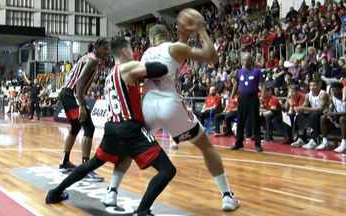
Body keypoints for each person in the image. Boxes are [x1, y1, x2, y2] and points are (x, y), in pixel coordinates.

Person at [104, 11, 240, 212]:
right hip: (170, 105)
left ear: (152, 39)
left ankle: (112, 191)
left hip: (148, 105)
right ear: (168, 35)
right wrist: (201, 29)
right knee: (205, 146)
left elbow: (167, 61)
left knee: (130, 148)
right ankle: (227, 196)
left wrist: (183, 35)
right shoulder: (175, 48)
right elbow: (212, 57)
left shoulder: (146, 54)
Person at [45, 36, 175, 216]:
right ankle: (142, 211)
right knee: (168, 170)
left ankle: (55, 192)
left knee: (94, 163)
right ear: (124, 51)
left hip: (112, 128)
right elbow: (162, 69)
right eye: (131, 50)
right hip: (129, 128)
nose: (133, 53)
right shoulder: (128, 67)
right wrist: (148, 62)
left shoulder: (109, 76)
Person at [57, 39, 108, 182]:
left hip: (67, 93)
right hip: (72, 94)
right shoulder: (93, 60)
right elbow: (79, 83)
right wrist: (81, 104)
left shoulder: (86, 57)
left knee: (76, 126)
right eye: (105, 48)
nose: (107, 52)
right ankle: (86, 169)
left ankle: (64, 162)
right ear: (97, 48)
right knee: (89, 128)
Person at [231, 52, 265, 152]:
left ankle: (258, 144)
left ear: (251, 60)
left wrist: (262, 96)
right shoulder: (239, 72)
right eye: (243, 60)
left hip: (253, 99)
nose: (244, 62)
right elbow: (235, 84)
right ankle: (239, 143)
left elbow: (263, 84)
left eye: (247, 60)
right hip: (242, 99)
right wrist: (231, 96)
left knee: (255, 121)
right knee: (240, 121)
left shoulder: (257, 71)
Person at [291, 80, 328, 149]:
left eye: (314, 85)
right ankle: (301, 138)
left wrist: (305, 109)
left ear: (319, 86)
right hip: (314, 113)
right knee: (299, 115)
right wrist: (299, 108)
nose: (312, 87)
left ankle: (314, 140)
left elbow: (320, 109)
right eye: (310, 86)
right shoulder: (308, 95)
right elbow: (305, 105)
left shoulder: (323, 94)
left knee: (314, 115)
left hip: (324, 114)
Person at [318, 82, 346, 152]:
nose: (333, 92)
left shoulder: (344, 98)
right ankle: (325, 142)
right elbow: (331, 108)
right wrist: (328, 112)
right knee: (323, 117)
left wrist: (334, 114)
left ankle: (344, 143)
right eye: (332, 90)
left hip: (343, 117)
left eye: (334, 90)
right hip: (337, 117)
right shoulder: (333, 98)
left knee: (342, 119)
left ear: (340, 90)